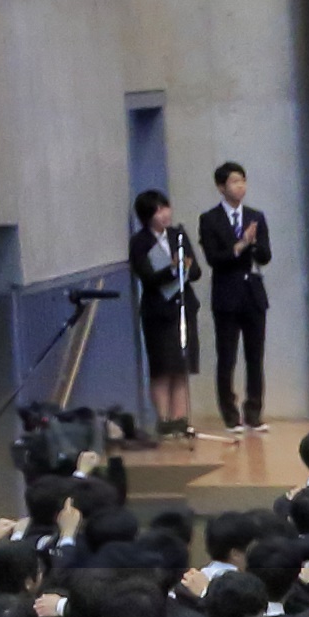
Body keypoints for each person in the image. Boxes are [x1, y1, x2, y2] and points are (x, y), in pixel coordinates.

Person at [197, 160, 276, 431]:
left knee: (255, 357)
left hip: (253, 294)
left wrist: (253, 244)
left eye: (242, 180)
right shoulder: (209, 219)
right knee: (227, 357)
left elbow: (266, 256)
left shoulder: (256, 216)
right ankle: (230, 415)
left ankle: (254, 413)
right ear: (221, 187)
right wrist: (240, 244)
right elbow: (214, 258)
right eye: (233, 181)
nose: (240, 186)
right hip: (226, 295)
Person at [127, 184, 200, 437]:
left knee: (181, 367)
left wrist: (184, 268)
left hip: (182, 308)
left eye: (165, 207)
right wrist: (172, 269)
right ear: (147, 216)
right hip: (158, 312)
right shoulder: (140, 242)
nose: (164, 214)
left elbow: (196, 270)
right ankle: (164, 420)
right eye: (158, 211)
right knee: (162, 368)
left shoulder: (178, 235)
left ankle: (180, 420)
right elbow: (147, 277)